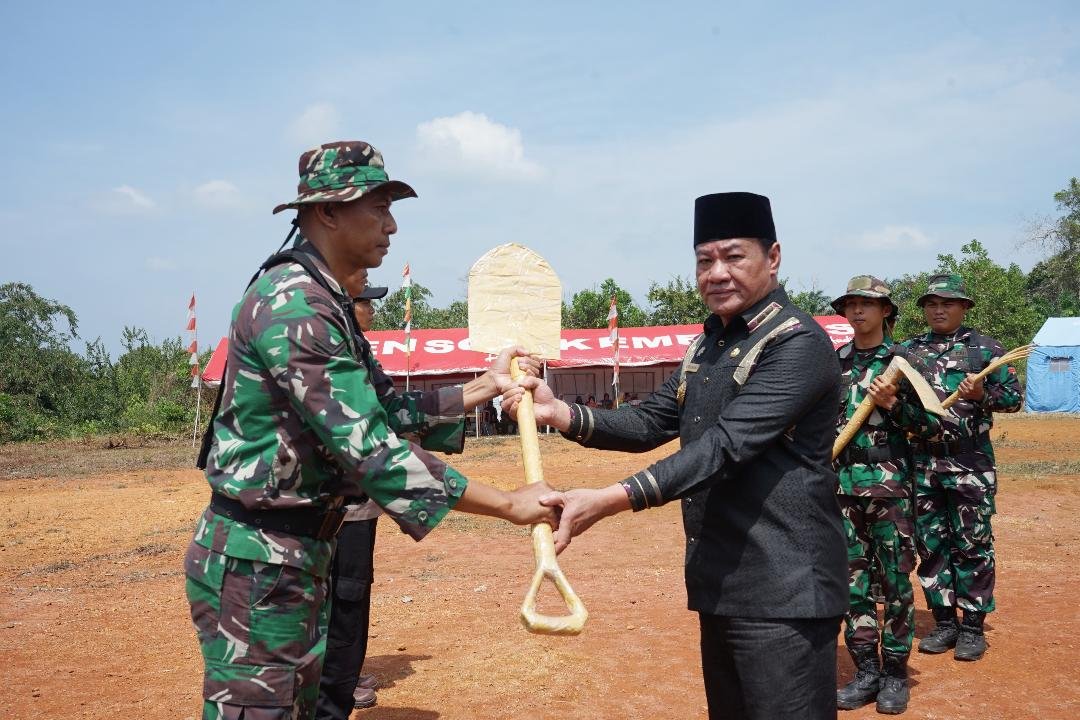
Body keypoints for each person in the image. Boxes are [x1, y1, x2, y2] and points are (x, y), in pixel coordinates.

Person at [184, 140, 555, 720]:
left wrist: (485, 386)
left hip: (293, 554)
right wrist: (511, 505)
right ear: (329, 212)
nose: (392, 225)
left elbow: (385, 408)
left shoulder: (325, 298)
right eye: (378, 207)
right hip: (260, 561)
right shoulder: (295, 304)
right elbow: (373, 451)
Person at [503, 192, 848, 720]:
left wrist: (609, 500)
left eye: (734, 257)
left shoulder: (796, 344)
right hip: (722, 579)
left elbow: (724, 447)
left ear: (773, 257)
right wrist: (559, 413)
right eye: (705, 260)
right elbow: (649, 421)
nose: (717, 273)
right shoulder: (707, 344)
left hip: (786, 585)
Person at [830, 276, 939, 714]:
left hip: (890, 489)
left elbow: (933, 427)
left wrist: (895, 404)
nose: (858, 311)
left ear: (886, 311)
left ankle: (894, 672)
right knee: (851, 582)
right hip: (842, 489)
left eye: (868, 304)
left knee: (895, 581)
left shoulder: (905, 363)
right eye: (851, 304)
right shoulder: (834, 362)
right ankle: (865, 670)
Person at [901, 273, 1023, 661]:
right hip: (923, 462)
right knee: (931, 544)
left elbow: (1014, 400)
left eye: (947, 303)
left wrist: (982, 394)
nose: (938, 310)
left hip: (970, 462)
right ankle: (944, 622)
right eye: (932, 304)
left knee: (972, 542)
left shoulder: (985, 349)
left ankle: (972, 626)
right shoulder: (908, 353)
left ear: (963, 307)